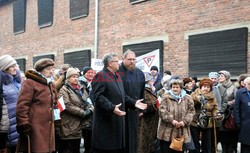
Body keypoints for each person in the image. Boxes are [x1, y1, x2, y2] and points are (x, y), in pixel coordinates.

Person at [91, 53, 147, 153]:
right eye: (116, 61)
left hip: (117, 123)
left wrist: (134, 103)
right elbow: (98, 97)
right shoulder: (100, 75)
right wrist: (112, 107)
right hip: (106, 124)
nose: (119, 63)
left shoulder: (117, 76)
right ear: (109, 64)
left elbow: (123, 96)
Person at [16, 58, 58, 153]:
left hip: (48, 126)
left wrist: (57, 119)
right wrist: (24, 124)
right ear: (40, 70)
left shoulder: (49, 83)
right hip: (35, 126)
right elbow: (22, 106)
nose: (51, 71)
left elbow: (54, 104)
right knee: (38, 149)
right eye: (48, 69)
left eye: (52, 68)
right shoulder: (30, 83)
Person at [58, 68, 94, 153]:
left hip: (81, 125)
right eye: (73, 77)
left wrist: (91, 109)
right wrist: (83, 113)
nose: (76, 79)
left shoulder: (81, 88)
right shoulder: (63, 89)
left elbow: (88, 100)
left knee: (77, 148)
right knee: (68, 148)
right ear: (68, 78)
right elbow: (66, 105)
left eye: (77, 76)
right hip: (69, 125)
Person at [157, 78, 195, 153]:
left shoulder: (187, 98)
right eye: (173, 87)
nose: (175, 89)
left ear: (181, 87)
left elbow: (191, 111)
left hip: (181, 130)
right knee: (166, 150)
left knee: (179, 150)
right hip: (167, 130)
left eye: (177, 87)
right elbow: (162, 110)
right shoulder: (166, 97)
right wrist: (171, 120)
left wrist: (184, 121)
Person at [118, 50, 145, 153]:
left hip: (134, 111)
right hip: (120, 111)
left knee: (133, 140)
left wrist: (142, 109)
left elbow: (142, 92)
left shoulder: (139, 73)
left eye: (134, 59)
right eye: (129, 59)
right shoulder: (117, 72)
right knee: (122, 140)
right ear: (123, 59)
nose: (132, 62)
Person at [190, 78, 220, 153]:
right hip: (195, 121)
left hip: (207, 122)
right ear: (200, 87)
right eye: (204, 86)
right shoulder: (194, 94)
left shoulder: (212, 97)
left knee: (207, 143)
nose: (206, 89)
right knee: (195, 142)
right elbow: (190, 106)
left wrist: (216, 114)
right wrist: (197, 99)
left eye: (208, 87)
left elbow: (215, 108)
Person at [0, 55, 22, 153]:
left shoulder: (17, 82)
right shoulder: (2, 84)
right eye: (12, 66)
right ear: (5, 68)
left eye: (15, 65)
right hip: (9, 126)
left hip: (20, 123)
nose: (15, 68)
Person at [137, 74, 159, 153]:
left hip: (150, 122)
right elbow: (146, 105)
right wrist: (155, 104)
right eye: (151, 80)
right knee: (143, 144)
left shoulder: (149, 90)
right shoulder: (144, 91)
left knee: (149, 142)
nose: (152, 82)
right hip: (145, 122)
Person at [218, 70, 238, 153]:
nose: (219, 77)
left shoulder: (233, 87)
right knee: (222, 135)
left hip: (230, 115)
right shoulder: (218, 87)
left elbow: (237, 99)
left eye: (221, 76)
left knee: (230, 136)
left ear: (226, 77)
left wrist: (227, 103)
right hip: (221, 114)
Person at [208, 72, 228, 153]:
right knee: (208, 135)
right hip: (208, 115)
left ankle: (214, 149)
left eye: (215, 78)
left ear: (217, 79)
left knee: (216, 134)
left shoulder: (222, 89)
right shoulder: (206, 87)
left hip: (218, 115)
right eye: (211, 78)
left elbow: (225, 101)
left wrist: (220, 111)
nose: (213, 80)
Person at [79, 66, 95, 153]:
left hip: (94, 113)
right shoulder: (80, 84)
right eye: (88, 72)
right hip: (86, 112)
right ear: (84, 74)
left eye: (92, 72)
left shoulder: (95, 83)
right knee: (87, 136)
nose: (90, 74)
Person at [234, 77, 250, 153]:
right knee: (245, 145)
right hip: (244, 123)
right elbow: (236, 108)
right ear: (245, 84)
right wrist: (237, 121)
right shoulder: (240, 93)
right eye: (249, 84)